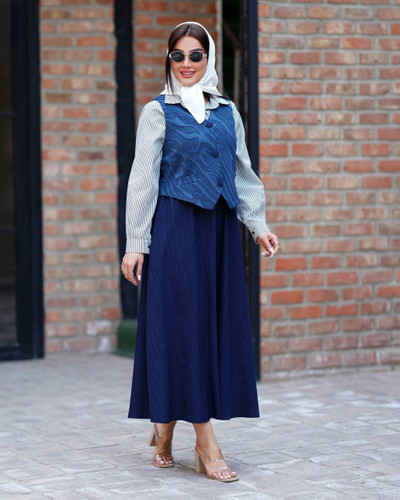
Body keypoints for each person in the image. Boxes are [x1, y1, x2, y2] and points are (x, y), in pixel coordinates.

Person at [121, 21, 279, 483]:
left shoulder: (227, 111)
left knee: (206, 329)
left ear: (208, 58)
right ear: (168, 60)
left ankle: (164, 429)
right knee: (184, 327)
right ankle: (206, 444)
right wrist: (136, 244)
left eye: (196, 55)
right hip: (176, 231)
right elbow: (143, 181)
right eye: (178, 55)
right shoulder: (157, 112)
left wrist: (258, 225)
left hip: (219, 235)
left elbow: (243, 173)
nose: (186, 64)